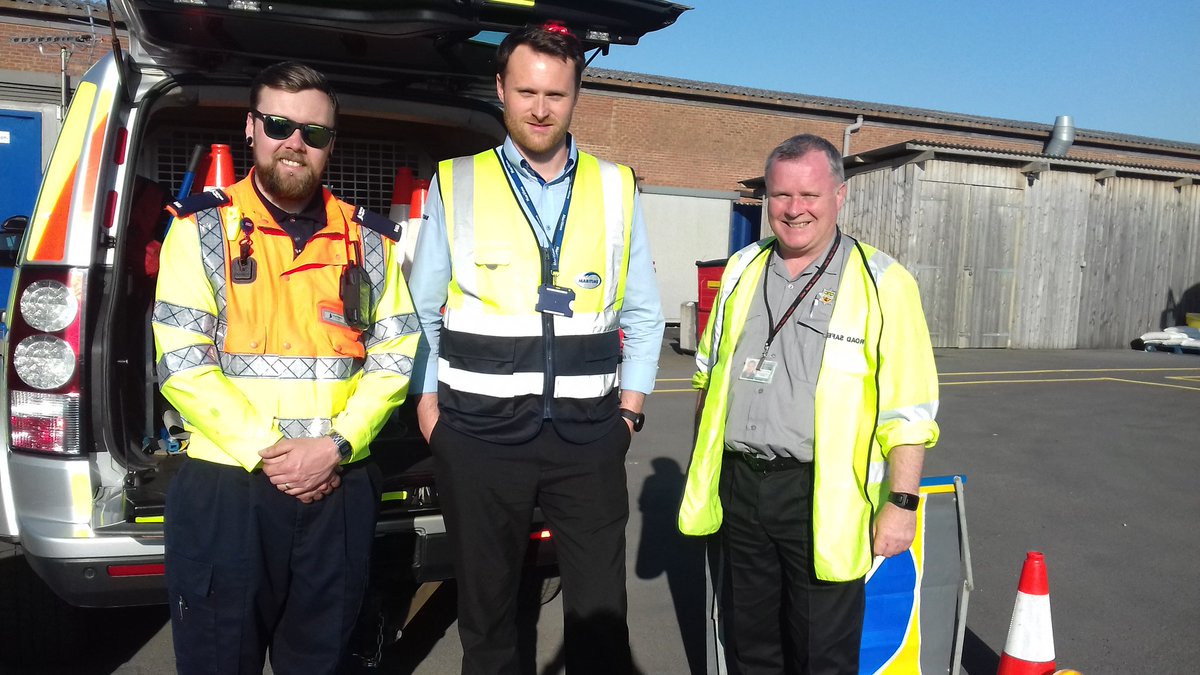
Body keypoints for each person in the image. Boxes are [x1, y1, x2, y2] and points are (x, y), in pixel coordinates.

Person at [408, 23, 665, 675]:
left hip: (589, 438)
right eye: (526, 91)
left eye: (556, 93)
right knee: (489, 619)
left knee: (601, 619)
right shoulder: (457, 181)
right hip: (479, 436)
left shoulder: (616, 187)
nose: (541, 107)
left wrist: (629, 410)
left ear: (576, 94)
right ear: (500, 89)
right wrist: (429, 404)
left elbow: (642, 309)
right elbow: (418, 305)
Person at [152, 61, 418, 674]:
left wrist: (337, 446)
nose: (294, 143)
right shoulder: (199, 231)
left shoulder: (371, 240)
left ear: (332, 142)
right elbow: (183, 365)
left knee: (322, 661)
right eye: (278, 125)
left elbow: (396, 356)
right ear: (251, 128)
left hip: (338, 484)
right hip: (230, 488)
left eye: (313, 132)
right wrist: (277, 454)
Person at [678, 134, 940, 675]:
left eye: (810, 195)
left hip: (820, 496)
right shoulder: (741, 270)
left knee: (821, 653)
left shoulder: (883, 282)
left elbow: (908, 411)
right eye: (780, 196)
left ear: (839, 196)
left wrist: (903, 503)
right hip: (742, 488)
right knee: (749, 644)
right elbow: (708, 374)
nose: (795, 210)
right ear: (766, 200)